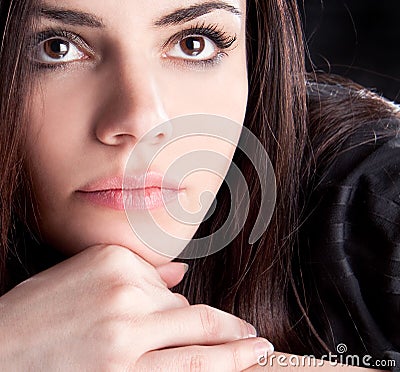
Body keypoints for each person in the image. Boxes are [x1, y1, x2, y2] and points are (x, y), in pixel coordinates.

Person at [0, 0, 398, 371]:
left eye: (194, 44)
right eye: (57, 48)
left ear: (253, 56)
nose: (139, 120)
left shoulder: (374, 192)